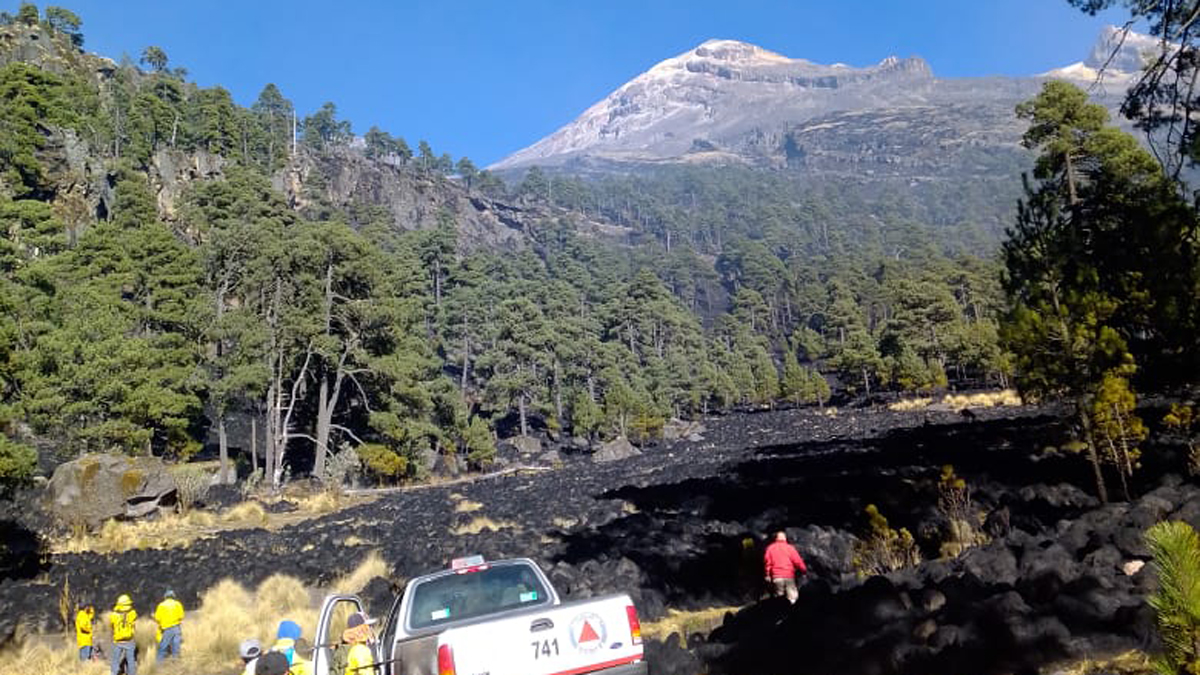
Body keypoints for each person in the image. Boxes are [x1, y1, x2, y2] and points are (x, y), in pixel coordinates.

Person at [763, 530, 808, 603]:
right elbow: (797, 561)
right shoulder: (790, 548)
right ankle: (793, 612)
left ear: (776, 538)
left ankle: (781, 613)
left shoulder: (770, 548)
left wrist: (767, 575)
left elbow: (767, 563)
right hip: (789, 576)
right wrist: (804, 570)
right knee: (793, 598)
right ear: (785, 538)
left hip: (777, 577)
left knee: (779, 599)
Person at [109, 594, 138, 675]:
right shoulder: (132, 613)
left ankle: (114, 673)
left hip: (117, 641)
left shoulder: (113, 615)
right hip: (129, 640)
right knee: (130, 660)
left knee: (115, 660)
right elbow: (134, 621)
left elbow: (112, 626)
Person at [154, 589, 184, 660]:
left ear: (165, 597)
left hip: (166, 629)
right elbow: (181, 616)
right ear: (173, 596)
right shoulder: (177, 604)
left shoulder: (161, 605)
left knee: (163, 647)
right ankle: (175, 664)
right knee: (176, 647)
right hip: (176, 628)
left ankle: (159, 666)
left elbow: (157, 618)